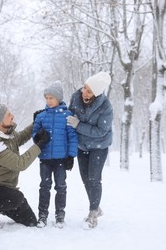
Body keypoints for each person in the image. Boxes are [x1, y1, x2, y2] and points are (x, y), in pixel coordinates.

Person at [0, 103, 50, 228]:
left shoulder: (8, 133)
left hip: (7, 189)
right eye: (8, 114)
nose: (12, 116)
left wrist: (35, 123)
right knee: (16, 198)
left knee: (31, 221)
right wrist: (39, 145)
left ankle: (1, 207)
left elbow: (20, 137)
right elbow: (20, 163)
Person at [67, 71, 113, 229]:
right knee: (85, 178)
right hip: (82, 146)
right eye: (84, 87)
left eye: (89, 90)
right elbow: (69, 114)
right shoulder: (75, 97)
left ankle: (93, 213)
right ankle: (96, 205)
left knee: (94, 178)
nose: (84, 92)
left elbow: (101, 131)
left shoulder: (106, 107)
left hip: (99, 146)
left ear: (96, 93)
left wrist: (78, 125)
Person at [32, 81, 78, 228]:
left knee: (61, 187)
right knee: (44, 186)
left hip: (61, 159)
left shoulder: (67, 116)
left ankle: (60, 216)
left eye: (51, 97)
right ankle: (42, 216)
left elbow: (72, 137)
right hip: (45, 158)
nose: (48, 101)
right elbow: (34, 135)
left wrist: (71, 156)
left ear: (59, 98)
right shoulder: (41, 116)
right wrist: (39, 136)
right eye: (46, 98)